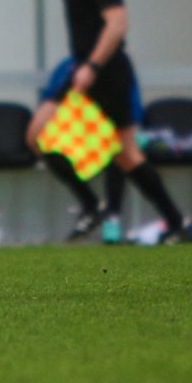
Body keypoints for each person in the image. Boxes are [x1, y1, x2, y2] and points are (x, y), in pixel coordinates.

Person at [26, 0, 188, 244]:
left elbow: (118, 23)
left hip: (106, 71)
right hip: (82, 68)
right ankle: (94, 205)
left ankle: (175, 222)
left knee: (126, 153)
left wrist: (93, 66)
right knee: (38, 136)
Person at [27, 55, 143, 243]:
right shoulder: (67, 67)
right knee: (46, 146)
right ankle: (91, 204)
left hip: (105, 131)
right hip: (76, 133)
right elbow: (50, 100)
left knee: (119, 153)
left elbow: (132, 104)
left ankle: (111, 217)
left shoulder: (116, 66)